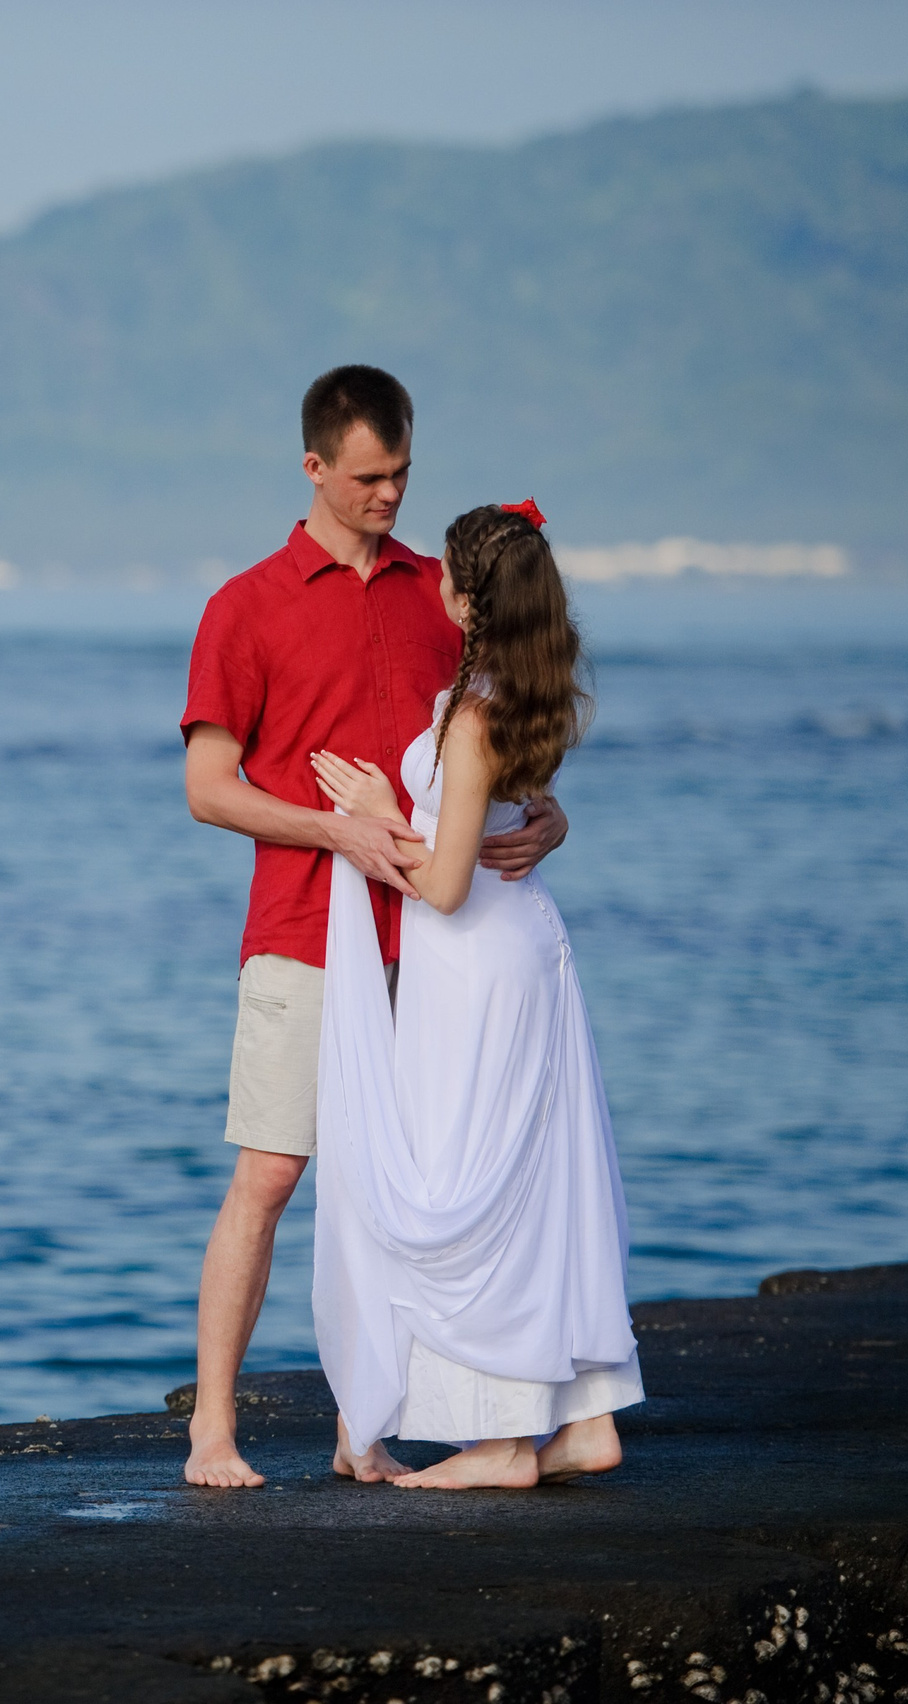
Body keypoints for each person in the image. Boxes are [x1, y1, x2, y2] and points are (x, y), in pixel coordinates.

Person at [178, 366, 567, 1489]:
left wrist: (548, 811)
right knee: (269, 1174)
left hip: (438, 947)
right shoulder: (243, 606)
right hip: (302, 934)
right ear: (313, 468)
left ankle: (366, 1429)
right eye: (366, 478)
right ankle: (212, 1429)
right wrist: (329, 830)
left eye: (401, 473)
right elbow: (208, 787)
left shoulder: (437, 593)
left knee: (408, 1191)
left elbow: (498, 732)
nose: (389, 495)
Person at [306, 500, 640, 1490]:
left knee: (467, 1184)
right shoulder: (532, 692)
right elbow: (521, 810)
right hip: (526, 945)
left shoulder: (471, 712)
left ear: (463, 597)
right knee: (543, 1176)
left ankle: (497, 1441)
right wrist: (546, 822)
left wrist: (375, 812)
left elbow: (443, 884)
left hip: (474, 964)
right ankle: (583, 1418)